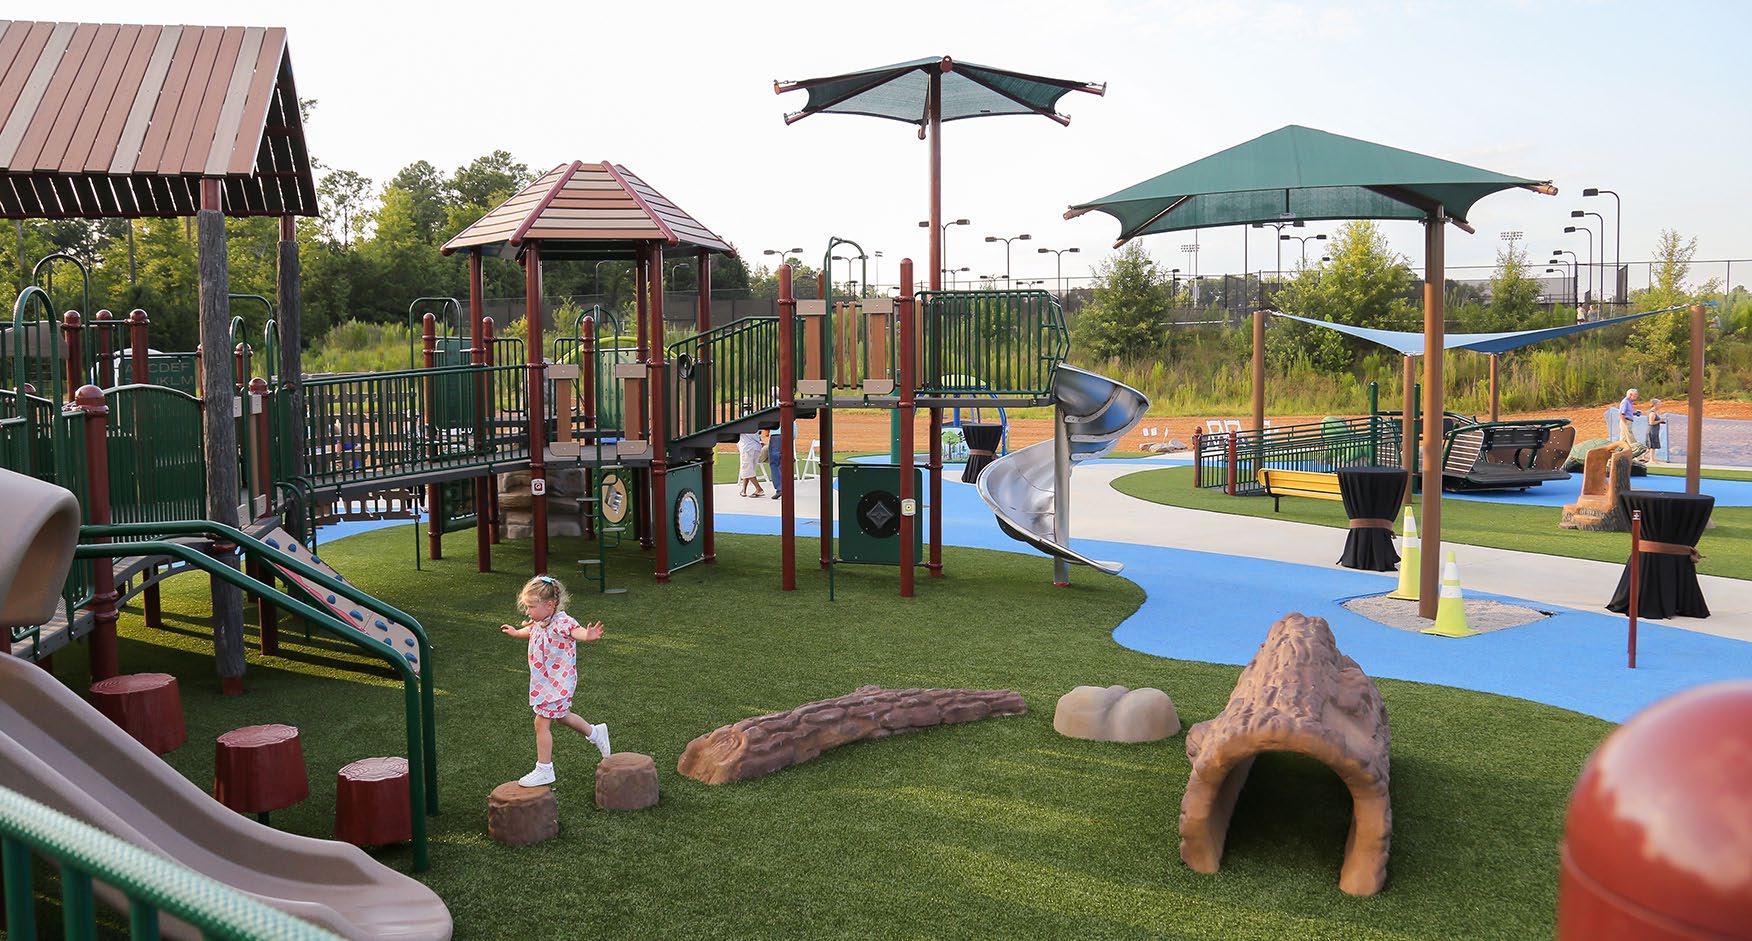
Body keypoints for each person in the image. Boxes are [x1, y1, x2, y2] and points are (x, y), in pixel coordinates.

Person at [501, 575, 609, 787]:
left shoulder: (562, 622)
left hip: (559, 683)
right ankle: (596, 733)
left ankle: (544, 769)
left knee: (540, 722)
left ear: (550, 605)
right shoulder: (540, 621)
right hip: (546, 682)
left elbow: (576, 632)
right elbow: (530, 630)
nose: (528, 611)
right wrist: (516, 632)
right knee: (562, 717)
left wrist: (587, 635)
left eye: (531, 607)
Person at [737, 427, 765, 498]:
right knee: (749, 470)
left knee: (747, 470)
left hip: (747, 447)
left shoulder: (742, 423)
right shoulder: (755, 422)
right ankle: (744, 490)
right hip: (756, 447)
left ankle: (759, 489)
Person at [767, 426, 788, 500]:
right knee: (785, 463)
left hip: (776, 435)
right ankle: (787, 488)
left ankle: (780, 488)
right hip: (789, 435)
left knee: (774, 464)